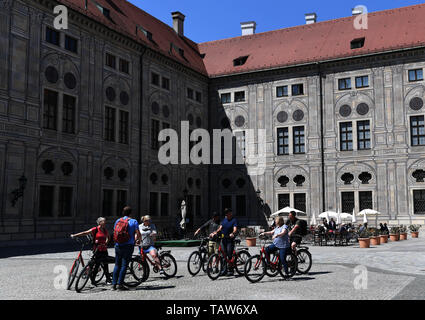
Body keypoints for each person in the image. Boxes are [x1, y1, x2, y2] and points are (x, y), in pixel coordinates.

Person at [71, 217, 112, 285]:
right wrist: (75, 235)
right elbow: (85, 233)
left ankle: (108, 279)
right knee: (96, 265)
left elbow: (108, 237)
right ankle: (93, 280)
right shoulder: (95, 229)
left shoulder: (105, 230)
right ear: (99, 222)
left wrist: (106, 243)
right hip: (97, 250)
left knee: (105, 265)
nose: (105, 222)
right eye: (103, 221)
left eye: (105, 221)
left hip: (104, 250)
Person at [112, 206, 141, 291]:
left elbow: (115, 231)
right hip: (128, 245)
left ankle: (113, 284)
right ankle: (120, 284)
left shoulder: (118, 220)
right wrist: (137, 240)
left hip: (118, 245)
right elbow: (138, 233)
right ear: (131, 213)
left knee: (117, 264)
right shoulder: (134, 221)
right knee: (124, 265)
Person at [211, 208, 238, 275]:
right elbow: (220, 228)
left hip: (230, 240)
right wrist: (215, 233)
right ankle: (223, 270)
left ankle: (231, 270)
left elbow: (235, 229)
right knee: (223, 255)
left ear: (230, 213)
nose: (226, 214)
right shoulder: (224, 220)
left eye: (228, 213)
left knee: (229, 254)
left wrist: (233, 233)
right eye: (226, 213)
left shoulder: (234, 220)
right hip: (223, 239)